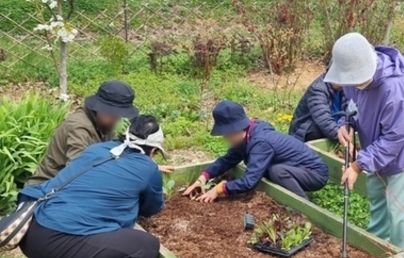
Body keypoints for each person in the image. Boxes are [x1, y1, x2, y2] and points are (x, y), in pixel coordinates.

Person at [325, 33, 404, 258]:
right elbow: (353, 104)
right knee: (378, 201)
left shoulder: (393, 87)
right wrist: (347, 124)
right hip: (375, 146)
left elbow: (394, 138)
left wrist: (358, 165)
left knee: (401, 215)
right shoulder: (354, 73)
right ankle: (377, 248)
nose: (351, 84)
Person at [18, 115, 166, 258]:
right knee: (147, 245)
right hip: (59, 242)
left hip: (30, 229)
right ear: (153, 150)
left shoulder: (97, 149)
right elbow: (150, 208)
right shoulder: (148, 168)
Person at [183, 101, 329, 201]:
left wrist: (219, 189)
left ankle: (301, 204)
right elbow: (228, 160)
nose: (225, 138)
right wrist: (203, 177)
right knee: (268, 170)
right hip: (295, 167)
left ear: (236, 130)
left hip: (314, 173)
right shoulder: (249, 132)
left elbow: (250, 181)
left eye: (226, 134)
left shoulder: (260, 143)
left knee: (276, 171)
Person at [27, 80, 142, 186]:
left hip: (68, 186)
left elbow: (114, 155)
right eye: (114, 114)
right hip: (45, 189)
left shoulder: (105, 124)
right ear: (101, 108)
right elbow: (79, 170)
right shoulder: (79, 128)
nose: (117, 119)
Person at [288, 71, 346, 142]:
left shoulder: (344, 88)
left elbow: (350, 110)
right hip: (304, 133)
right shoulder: (317, 89)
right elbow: (324, 121)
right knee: (317, 130)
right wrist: (343, 138)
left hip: (334, 127)